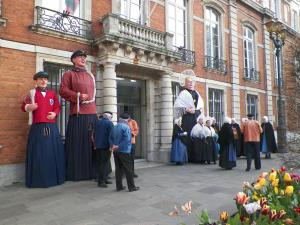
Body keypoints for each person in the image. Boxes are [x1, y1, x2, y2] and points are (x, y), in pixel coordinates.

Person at [21, 71, 65, 188]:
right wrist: (29, 107)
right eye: (41, 79)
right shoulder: (32, 94)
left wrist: (55, 114)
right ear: (36, 81)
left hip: (52, 127)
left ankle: (54, 179)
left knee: (52, 153)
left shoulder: (52, 93)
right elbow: (23, 106)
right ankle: (39, 180)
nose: (43, 81)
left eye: (45, 79)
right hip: (37, 128)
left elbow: (57, 107)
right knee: (39, 154)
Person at [59, 50, 97, 181]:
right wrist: (78, 96)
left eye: (84, 57)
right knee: (78, 145)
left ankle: (95, 172)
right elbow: (63, 91)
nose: (83, 59)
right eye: (80, 57)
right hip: (78, 114)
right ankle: (77, 174)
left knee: (93, 144)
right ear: (73, 59)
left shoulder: (90, 75)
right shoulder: (68, 74)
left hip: (92, 113)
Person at [174, 77, 204, 162]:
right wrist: (186, 109)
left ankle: (197, 157)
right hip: (187, 119)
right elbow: (177, 107)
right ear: (185, 83)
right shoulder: (183, 93)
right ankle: (188, 157)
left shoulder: (196, 93)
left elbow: (201, 106)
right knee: (187, 137)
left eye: (192, 82)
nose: (191, 84)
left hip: (195, 118)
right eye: (189, 82)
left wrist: (197, 111)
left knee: (196, 137)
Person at [109, 113, 139, 192]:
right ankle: (131, 187)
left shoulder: (114, 127)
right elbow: (127, 139)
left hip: (116, 151)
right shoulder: (126, 127)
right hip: (124, 150)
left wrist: (113, 146)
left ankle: (119, 187)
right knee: (128, 169)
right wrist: (118, 146)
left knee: (118, 169)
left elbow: (110, 138)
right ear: (127, 119)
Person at [93, 111, 114, 188]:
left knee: (100, 164)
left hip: (98, 146)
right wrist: (111, 146)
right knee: (104, 164)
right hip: (106, 146)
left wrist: (95, 144)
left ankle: (103, 179)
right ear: (108, 117)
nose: (111, 118)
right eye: (111, 117)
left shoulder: (98, 122)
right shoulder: (109, 123)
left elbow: (94, 134)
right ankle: (102, 181)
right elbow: (111, 135)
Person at [127, 113, 139, 178]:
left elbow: (136, 131)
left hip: (132, 142)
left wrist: (131, 133)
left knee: (131, 158)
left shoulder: (133, 122)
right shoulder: (124, 122)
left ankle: (132, 172)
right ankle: (125, 172)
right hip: (125, 143)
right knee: (126, 158)